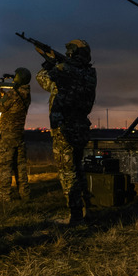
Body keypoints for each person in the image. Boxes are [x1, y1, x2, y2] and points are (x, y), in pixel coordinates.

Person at [36, 40, 96, 224]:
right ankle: (88, 210)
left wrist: (48, 62)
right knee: (79, 169)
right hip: (81, 126)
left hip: (64, 127)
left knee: (67, 171)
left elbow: (43, 79)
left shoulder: (64, 70)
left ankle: (76, 215)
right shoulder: (90, 72)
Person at [0, 67, 32, 201]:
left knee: (5, 166)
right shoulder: (26, 93)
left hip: (7, 135)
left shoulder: (13, 94)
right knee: (20, 167)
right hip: (19, 135)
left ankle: (5, 196)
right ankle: (25, 194)